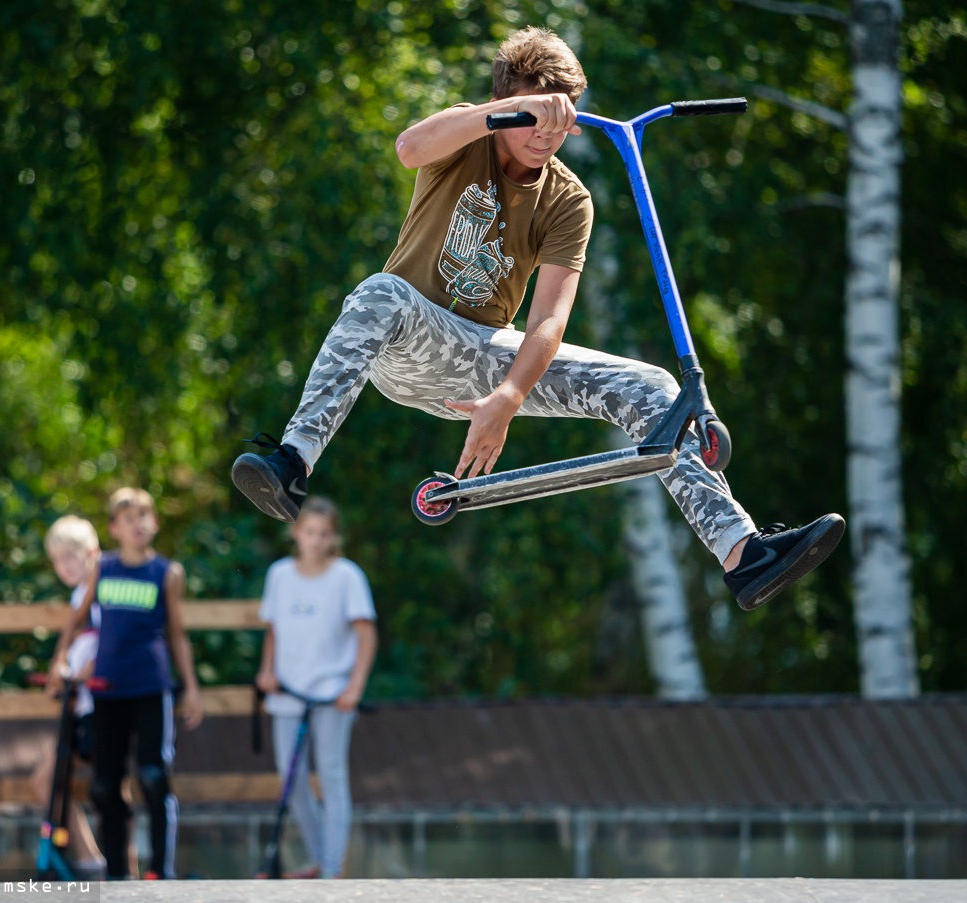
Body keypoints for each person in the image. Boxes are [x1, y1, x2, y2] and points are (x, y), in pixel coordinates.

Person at [231, 25, 844, 612]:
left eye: (560, 117)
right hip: (406, 337)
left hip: (487, 356)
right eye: (530, 116)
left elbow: (549, 321)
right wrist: (502, 113)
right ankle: (293, 461)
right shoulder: (465, 138)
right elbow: (408, 147)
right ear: (502, 104)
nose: (544, 133)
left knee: (654, 387)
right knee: (379, 292)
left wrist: (508, 395)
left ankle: (742, 553)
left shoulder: (569, 200)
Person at [52, 487, 204, 880]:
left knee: (153, 777)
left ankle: (159, 872)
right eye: (128, 518)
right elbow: (76, 617)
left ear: (154, 522)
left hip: (150, 687)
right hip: (106, 690)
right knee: (104, 785)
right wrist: (59, 663)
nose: (138, 525)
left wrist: (191, 688)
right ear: (114, 528)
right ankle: (117, 873)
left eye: (144, 516)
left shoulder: (167, 573)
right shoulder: (102, 567)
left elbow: (177, 634)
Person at [255, 496, 377, 880]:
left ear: (333, 537)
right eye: (309, 532)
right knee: (291, 782)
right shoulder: (279, 575)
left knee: (332, 776)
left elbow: (366, 634)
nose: (316, 540)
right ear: (296, 533)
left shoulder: (347, 576)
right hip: (288, 694)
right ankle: (322, 857)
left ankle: (332, 870)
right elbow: (273, 629)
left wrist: (354, 687)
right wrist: (266, 671)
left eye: (324, 533)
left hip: (331, 695)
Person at [29, 515, 112, 879]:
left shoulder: (102, 588)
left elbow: (109, 641)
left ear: (91, 553)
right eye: (57, 560)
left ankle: (102, 864)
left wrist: (79, 675)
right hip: (80, 707)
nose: (64, 567)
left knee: (108, 788)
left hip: (99, 706)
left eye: (70, 558)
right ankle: (88, 857)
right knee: (47, 780)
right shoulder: (81, 595)